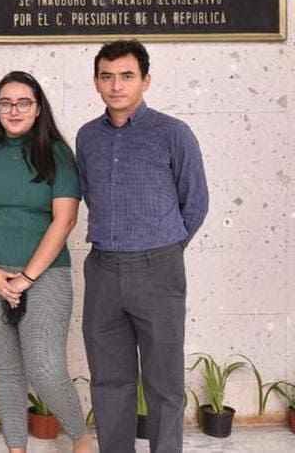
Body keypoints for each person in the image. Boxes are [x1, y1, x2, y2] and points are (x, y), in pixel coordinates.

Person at [0, 71, 95, 453]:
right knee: (5, 367)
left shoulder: (58, 154)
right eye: (5, 103)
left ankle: (81, 438)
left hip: (46, 273)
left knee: (45, 366)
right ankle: (16, 447)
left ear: (38, 109)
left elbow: (65, 219)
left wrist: (26, 278)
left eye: (23, 103)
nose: (13, 110)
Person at [77, 40, 208, 452]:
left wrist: (163, 248)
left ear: (145, 81)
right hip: (103, 269)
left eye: (127, 76)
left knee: (163, 381)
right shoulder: (87, 137)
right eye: (107, 76)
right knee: (108, 380)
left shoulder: (173, 133)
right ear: (96, 82)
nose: (116, 85)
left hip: (159, 268)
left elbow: (195, 202)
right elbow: (89, 195)